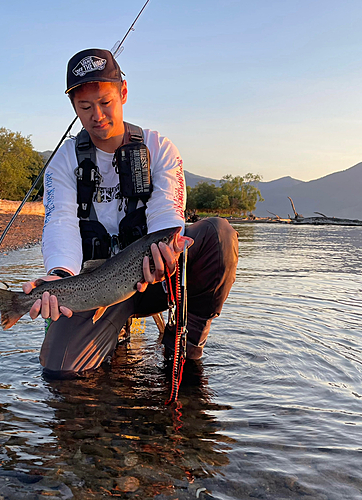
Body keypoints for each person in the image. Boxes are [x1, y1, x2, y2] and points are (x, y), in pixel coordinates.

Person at [23, 48, 238, 378]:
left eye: (105, 102)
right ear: (74, 108)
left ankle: (186, 340)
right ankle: (111, 328)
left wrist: (165, 251)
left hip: (155, 279)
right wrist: (61, 276)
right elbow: (60, 221)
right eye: (85, 107)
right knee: (61, 374)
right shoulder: (63, 161)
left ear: (123, 92)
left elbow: (168, 213)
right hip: (93, 288)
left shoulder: (159, 148)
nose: (97, 115)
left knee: (218, 236)